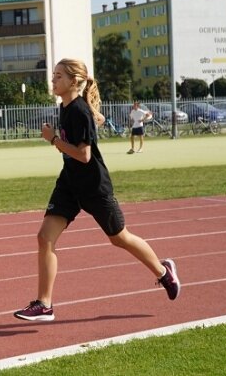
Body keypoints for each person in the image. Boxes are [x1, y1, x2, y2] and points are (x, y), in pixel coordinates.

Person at [13, 58, 180, 322]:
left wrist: (53, 139)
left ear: (73, 82)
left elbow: (84, 155)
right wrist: (92, 120)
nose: (53, 80)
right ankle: (44, 305)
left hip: (93, 186)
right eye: (53, 76)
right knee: (44, 238)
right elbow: (97, 120)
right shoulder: (67, 107)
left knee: (119, 238)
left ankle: (163, 271)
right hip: (69, 184)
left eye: (58, 76)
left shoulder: (78, 110)